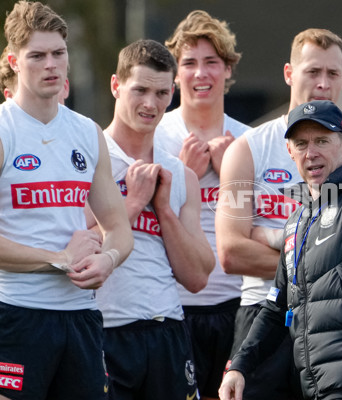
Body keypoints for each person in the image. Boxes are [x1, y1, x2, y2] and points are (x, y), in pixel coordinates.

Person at [215, 28, 342, 399]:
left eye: (333, 73)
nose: (323, 83)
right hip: (263, 312)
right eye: (312, 72)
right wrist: (323, 257)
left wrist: (275, 239)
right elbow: (230, 253)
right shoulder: (247, 149)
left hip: (340, 323)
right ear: (289, 74)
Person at [218, 99, 342, 400]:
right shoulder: (296, 222)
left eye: (322, 140)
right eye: (301, 144)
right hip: (322, 387)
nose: (311, 153)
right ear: (290, 152)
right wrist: (239, 366)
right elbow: (275, 308)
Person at [0, 2, 133, 399]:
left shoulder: (87, 132)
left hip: (81, 317)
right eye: (37, 56)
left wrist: (107, 259)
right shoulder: (4, 129)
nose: (51, 65)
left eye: (59, 53)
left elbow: (119, 228)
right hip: (17, 315)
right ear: (13, 61)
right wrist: (59, 258)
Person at [94, 39, 215, 400]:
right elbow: (70, 250)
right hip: (105, 329)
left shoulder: (180, 173)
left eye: (162, 93)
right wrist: (132, 204)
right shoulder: (88, 159)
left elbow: (197, 277)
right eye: (140, 90)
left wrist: (163, 209)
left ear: (173, 92)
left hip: (167, 329)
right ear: (116, 85)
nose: (151, 104)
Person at [153, 10, 248, 400]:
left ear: (228, 69)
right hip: (175, 305)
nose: (200, 74)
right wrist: (184, 177)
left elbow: (270, 223)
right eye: (189, 63)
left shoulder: (249, 141)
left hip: (239, 305)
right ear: (175, 74)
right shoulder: (156, 135)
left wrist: (232, 175)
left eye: (211, 62)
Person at [1, 45, 70, 103]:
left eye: (50, 83)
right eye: (30, 92)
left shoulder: (78, 119)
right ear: (10, 97)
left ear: (65, 87)